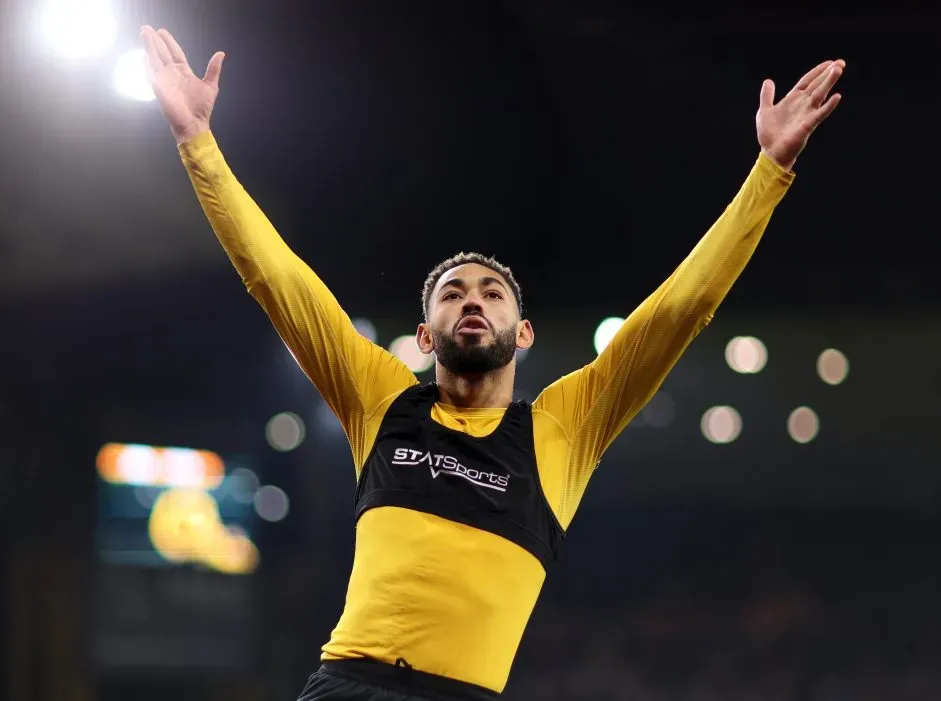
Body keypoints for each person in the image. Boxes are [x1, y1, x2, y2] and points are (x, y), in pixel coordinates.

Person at [141, 25, 844, 701]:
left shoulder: (562, 430)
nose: (472, 302)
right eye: (453, 293)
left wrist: (769, 171)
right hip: (346, 685)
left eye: (492, 292)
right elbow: (279, 280)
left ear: (524, 330)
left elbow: (678, 311)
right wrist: (196, 142)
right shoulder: (384, 401)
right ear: (424, 335)